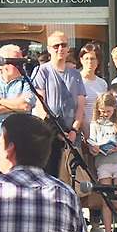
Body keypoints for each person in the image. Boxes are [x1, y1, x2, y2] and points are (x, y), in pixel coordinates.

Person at [31, 31, 87, 180]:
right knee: (49, 175)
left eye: (63, 45)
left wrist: (74, 130)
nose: (60, 49)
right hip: (49, 134)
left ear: (68, 48)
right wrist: (57, 132)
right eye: (56, 46)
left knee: (71, 178)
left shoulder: (75, 74)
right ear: (49, 49)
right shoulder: (41, 71)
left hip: (72, 134)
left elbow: (80, 105)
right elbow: (40, 105)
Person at [0, 45, 36, 176]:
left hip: (19, 142)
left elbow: (25, 106)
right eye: (16, 61)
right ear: (3, 64)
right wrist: (15, 104)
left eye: (22, 61)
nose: (21, 65)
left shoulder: (26, 82)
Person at [86, 92, 117, 232]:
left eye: (108, 111)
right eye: (102, 111)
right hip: (103, 162)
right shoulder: (95, 123)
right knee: (106, 201)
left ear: (115, 108)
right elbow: (92, 143)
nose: (105, 114)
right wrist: (95, 148)